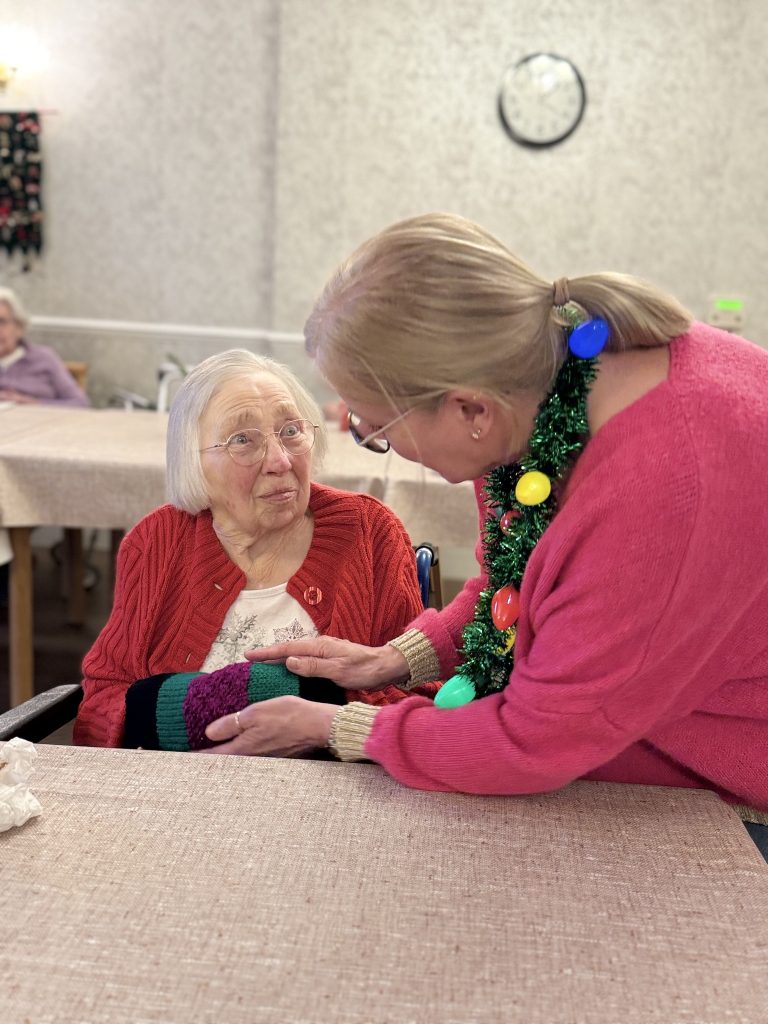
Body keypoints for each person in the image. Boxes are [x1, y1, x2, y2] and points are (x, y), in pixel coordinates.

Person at [206, 212, 768, 858]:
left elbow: (533, 742)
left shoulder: (662, 490)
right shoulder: (541, 393)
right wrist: (399, 658)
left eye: (378, 429)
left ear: (469, 409)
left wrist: (343, 729)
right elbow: (524, 581)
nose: (381, 444)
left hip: (730, 799)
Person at [73, 349, 432, 749]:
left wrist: (316, 709)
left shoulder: (369, 533)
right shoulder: (157, 542)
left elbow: (423, 695)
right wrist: (210, 703)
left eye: (291, 431)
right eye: (242, 440)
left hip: (331, 798)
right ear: (194, 462)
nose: (279, 460)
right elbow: (102, 702)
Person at [0, 287, 89, 406]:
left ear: (19, 327)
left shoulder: (44, 358)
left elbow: (80, 403)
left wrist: (34, 404)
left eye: (1, 322)